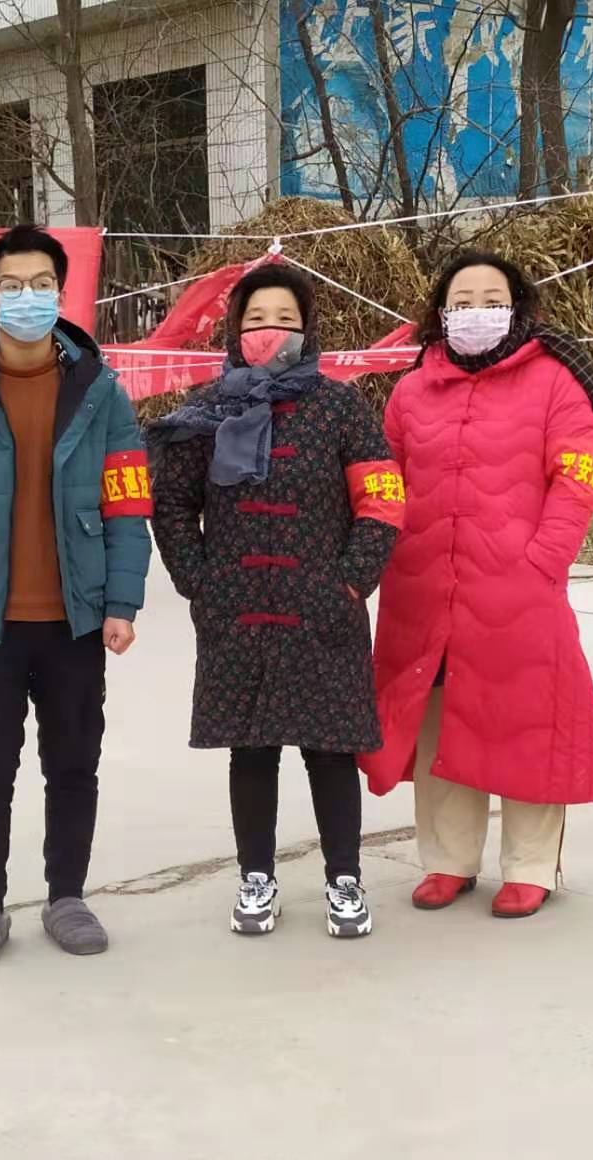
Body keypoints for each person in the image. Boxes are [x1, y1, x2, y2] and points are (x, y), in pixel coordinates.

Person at [0, 223, 152, 968]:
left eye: (41, 285)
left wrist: (122, 601)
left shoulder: (101, 394)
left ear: (61, 293)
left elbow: (127, 502)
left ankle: (66, 897)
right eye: (11, 286)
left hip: (77, 619)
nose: (27, 298)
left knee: (73, 764)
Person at [148, 264, 404, 939]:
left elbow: (382, 501)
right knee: (252, 749)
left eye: (285, 319)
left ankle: (344, 879)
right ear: (235, 328)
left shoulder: (341, 407)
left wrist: (351, 582)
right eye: (257, 319)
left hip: (324, 608)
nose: (271, 330)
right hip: (237, 609)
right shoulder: (207, 410)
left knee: (331, 750)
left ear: (307, 327)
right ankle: (256, 878)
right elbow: (171, 506)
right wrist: (200, 581)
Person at [362, 251, 593, 918]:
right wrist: (378, 553)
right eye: (463, 302)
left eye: (491, 300)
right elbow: (383, 480)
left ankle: (530, 866)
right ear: (441, 313)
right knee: (438, 722)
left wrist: (543, 561)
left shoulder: (555, 380)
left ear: (517, 308)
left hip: (519, 587)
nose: (476, 312)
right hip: (423, 587)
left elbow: (579, 475)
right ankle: (448, 860)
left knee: (528, 719)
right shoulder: (413, 389)